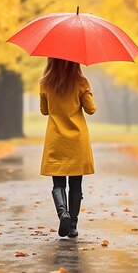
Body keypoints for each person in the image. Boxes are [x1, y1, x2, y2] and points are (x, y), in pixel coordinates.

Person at [39, 57, 96, 238]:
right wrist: (86, 90)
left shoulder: (45, 83)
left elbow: (44, 110)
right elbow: (91, 109)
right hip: (77, 141)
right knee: (76, 184)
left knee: (58, 183)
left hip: (56, 139)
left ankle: (62, 213)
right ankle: (72, 225)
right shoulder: (81, 82)